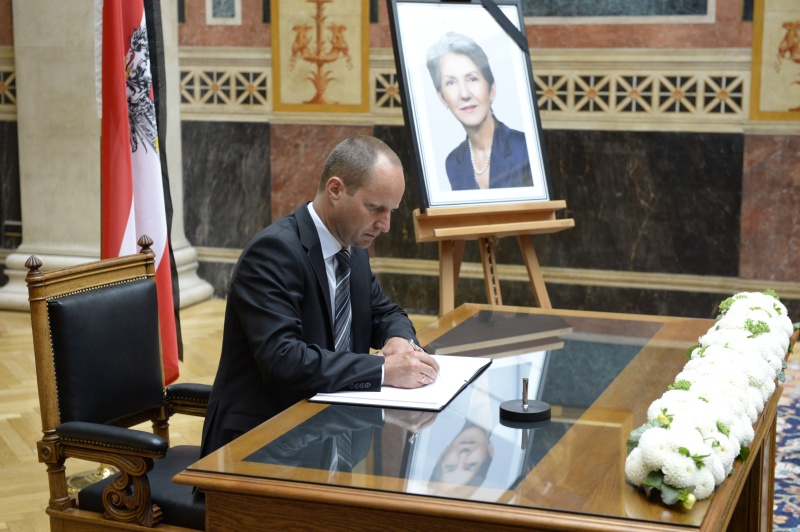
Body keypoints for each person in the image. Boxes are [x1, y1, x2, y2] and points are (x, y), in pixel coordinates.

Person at [200, 136, 440, 457]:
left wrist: (398, 339)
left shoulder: (353, 249)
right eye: (375, 208)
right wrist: (383, 370)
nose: (385, 225)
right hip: (263, 443)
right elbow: (283, 360)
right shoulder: (274, 252)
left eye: (391, 211)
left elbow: (385, 312)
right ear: (336, 189)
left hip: (331, 433)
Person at [426, 31, 533, 191]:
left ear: (492, 89)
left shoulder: (525, 148)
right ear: (442, 98)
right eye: (451, 82)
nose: (464, 94)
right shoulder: (453, 162)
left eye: (472, 79)